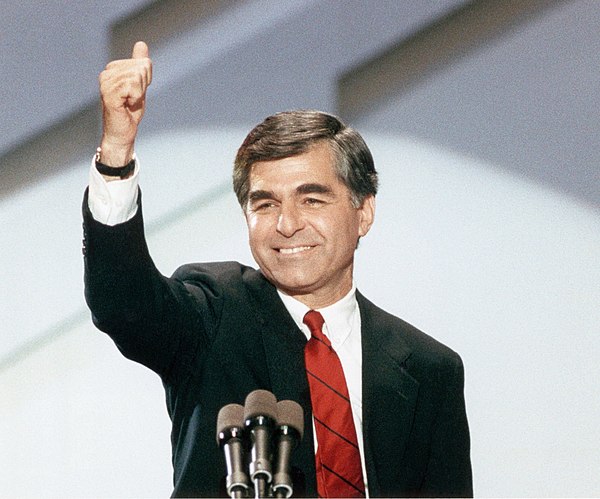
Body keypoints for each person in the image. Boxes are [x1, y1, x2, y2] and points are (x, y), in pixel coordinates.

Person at [82, 41, 472, 498]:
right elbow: (123, 305)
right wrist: (116, 153)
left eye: (311, 199)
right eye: (265, 204)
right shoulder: (214, 312)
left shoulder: (429, 370)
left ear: (363, 212)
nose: (287, 225)